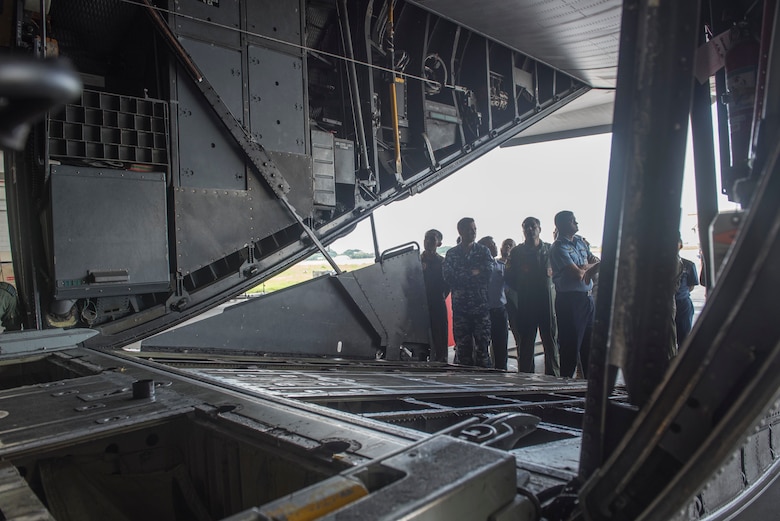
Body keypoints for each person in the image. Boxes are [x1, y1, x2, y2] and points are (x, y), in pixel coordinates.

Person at [505, 217, 561, 375]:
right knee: (526, 344)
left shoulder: (550, 250)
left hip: (547, 303)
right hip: (526, 304)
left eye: (533, 226)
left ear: (540, 229)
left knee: (550, 342)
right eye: (526, 227)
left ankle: (553, 379)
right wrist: (525, 288)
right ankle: (525, 379)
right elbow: (509, 277)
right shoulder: (516, 253)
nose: (530, 230)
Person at [550, 211, 599, 378]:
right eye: (572, 221)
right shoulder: (558, 247)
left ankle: (587, 385)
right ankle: (565, 387)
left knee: (589, 345)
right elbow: (577, 275)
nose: (576, 223)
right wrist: (587, 267)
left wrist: (584, 267)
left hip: (587, 299)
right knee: (570, 347)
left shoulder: (579, 242)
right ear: (562, 225)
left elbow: (594, 262)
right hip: (570, 302)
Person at [443, 217, 493, 367]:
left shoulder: (483, 251)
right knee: (463, 350)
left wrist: (463, 275)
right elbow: (448, 277)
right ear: (460, 231)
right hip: (461, 310)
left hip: (480, 308)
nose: (472, 232)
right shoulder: (452, 254)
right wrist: (473, 273)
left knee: (482, 349)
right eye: (469, 229)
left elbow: (488, 274)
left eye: (474, 229)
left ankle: (485, 383)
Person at [478, 236, 508, 370]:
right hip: (483, 312)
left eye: (494, 244)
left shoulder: (502, 266)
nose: (495, 247)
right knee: (482, 348)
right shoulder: (479, 269)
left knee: (501, 347)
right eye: (490, 245)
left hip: (499, 310)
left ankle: (501, 373)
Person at [421, 229, 450, 362]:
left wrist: (440, 295)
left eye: (432, 239)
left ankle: (440, 360)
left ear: (439, 243)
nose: (428, 242)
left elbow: (447, 284)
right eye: (426, 238)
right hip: (419, 302)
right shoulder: (416, 260)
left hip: (437, 301)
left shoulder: (443, 263)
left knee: (440, 334)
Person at [675, 236, 699, 349]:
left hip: (682, 305)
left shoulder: (688, 265)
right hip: (667, 306)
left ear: (681, 245)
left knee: (683, 339)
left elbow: (691, 286)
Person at [499, 238, 521, 352]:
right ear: (501, 249)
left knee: (518, 333)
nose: (508, 247)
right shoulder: (495, 264)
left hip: (514, 302)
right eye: (505, 244)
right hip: (499, 304)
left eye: (511, 245)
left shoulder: (518, 266)